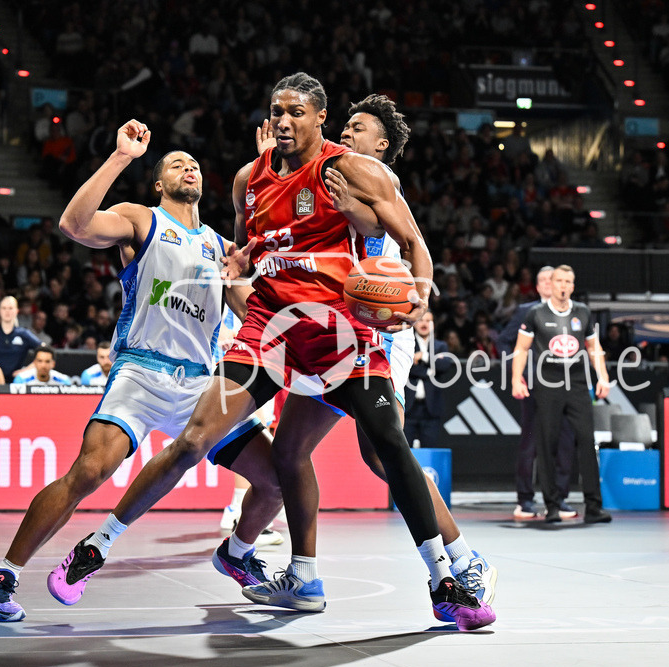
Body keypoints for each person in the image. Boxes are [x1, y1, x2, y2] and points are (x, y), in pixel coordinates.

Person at [60, 75, 495, 631]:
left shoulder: (356, 170)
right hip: (268, 333)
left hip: (342, 336)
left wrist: (418, 295)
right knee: (197, 437)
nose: (284, 121)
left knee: (386, 445)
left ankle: (445, 578)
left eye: (296, 112)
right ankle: (101, 543)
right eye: (276, 111)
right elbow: (249, 245)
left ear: (320, 118)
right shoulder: (249, 179)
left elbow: (413, 243)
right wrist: (240, 261)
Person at [0, 121, 282, 622]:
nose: (189, 167)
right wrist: (119, 158)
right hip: (142, 370)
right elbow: (73, 225)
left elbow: (256, 316)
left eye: (194, 164)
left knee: (277, 480)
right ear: (159, 183)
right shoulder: (142, 218)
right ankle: (1, 576)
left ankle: (237, 554)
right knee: (88, 472)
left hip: (201, 384)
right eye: (177, 163)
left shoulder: (221, 248)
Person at [248, 93, 497, 608]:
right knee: (290, 451)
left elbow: (393, 238)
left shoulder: (374, 179)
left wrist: (352, 210)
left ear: (381, 145)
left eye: (358, 128)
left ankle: (467, 561)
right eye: (347, 126)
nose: (348, 134)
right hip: (331, 332)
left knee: (383, 453)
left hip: (379, 329)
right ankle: (302, 576)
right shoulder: (332, 174)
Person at [511, 265, 612, 524]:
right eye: (559, 280)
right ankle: (552, 506)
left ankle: (593, 506)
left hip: (578, 384)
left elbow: (594, 348)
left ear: (573, 285)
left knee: (586, 442)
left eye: (568, 281)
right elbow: (521, 349)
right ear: (552, 284)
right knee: (547, 443)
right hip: (548, 384)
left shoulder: (583, 312)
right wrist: (516, 378)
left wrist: (603, 376)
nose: (564, 285)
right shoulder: (536, 313)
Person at [498, 266, 577, 521]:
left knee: (564, 443)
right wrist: (518, 371)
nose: (547, 284)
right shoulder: (527, 311)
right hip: (534, 386)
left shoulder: (571, 311)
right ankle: (525, 501)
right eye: (542, 280)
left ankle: (560, 499)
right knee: (531, 443)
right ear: (538, 285)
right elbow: (503, 341)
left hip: (564, 386)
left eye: (550, 279)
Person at [404, 311, 454, 448]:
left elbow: (445, 365)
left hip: (431, 409)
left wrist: (424, 357)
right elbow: (408, 368)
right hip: (408, 408)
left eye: (428, 321)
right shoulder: (407, 344)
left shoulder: (440, 346)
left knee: (430, 448)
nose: (424, 324)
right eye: (421, 320)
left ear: (433, 324)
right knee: (404, 450)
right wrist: (431, 370)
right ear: (414, 323)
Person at [0, 295, 41, 382]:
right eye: (4, 308)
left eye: (11, 308)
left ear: (17, 311)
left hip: (19, 382)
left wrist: (26, 370)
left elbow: (44, 350)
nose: (7, 311)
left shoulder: (24, 334)